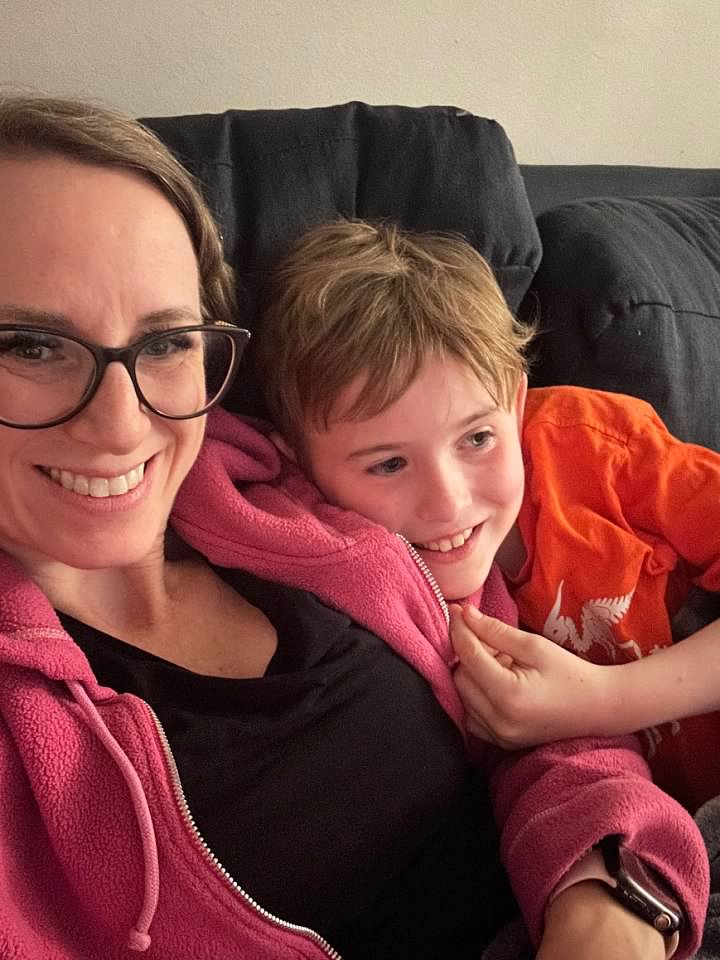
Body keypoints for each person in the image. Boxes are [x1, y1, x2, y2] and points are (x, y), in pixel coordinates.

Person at [0, 94, 707, 960]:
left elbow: (542, 731)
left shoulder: (299, 508)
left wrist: (608, 900)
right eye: (29, 345)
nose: (120, 424)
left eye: (167, 341)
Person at [257, 218, 720, 814]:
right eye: (389, 464)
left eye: (477, 438)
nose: (448, 502)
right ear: (299, 465)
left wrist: (607, 699)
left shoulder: (596, 447)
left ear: (516, 403)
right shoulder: (339, 572)